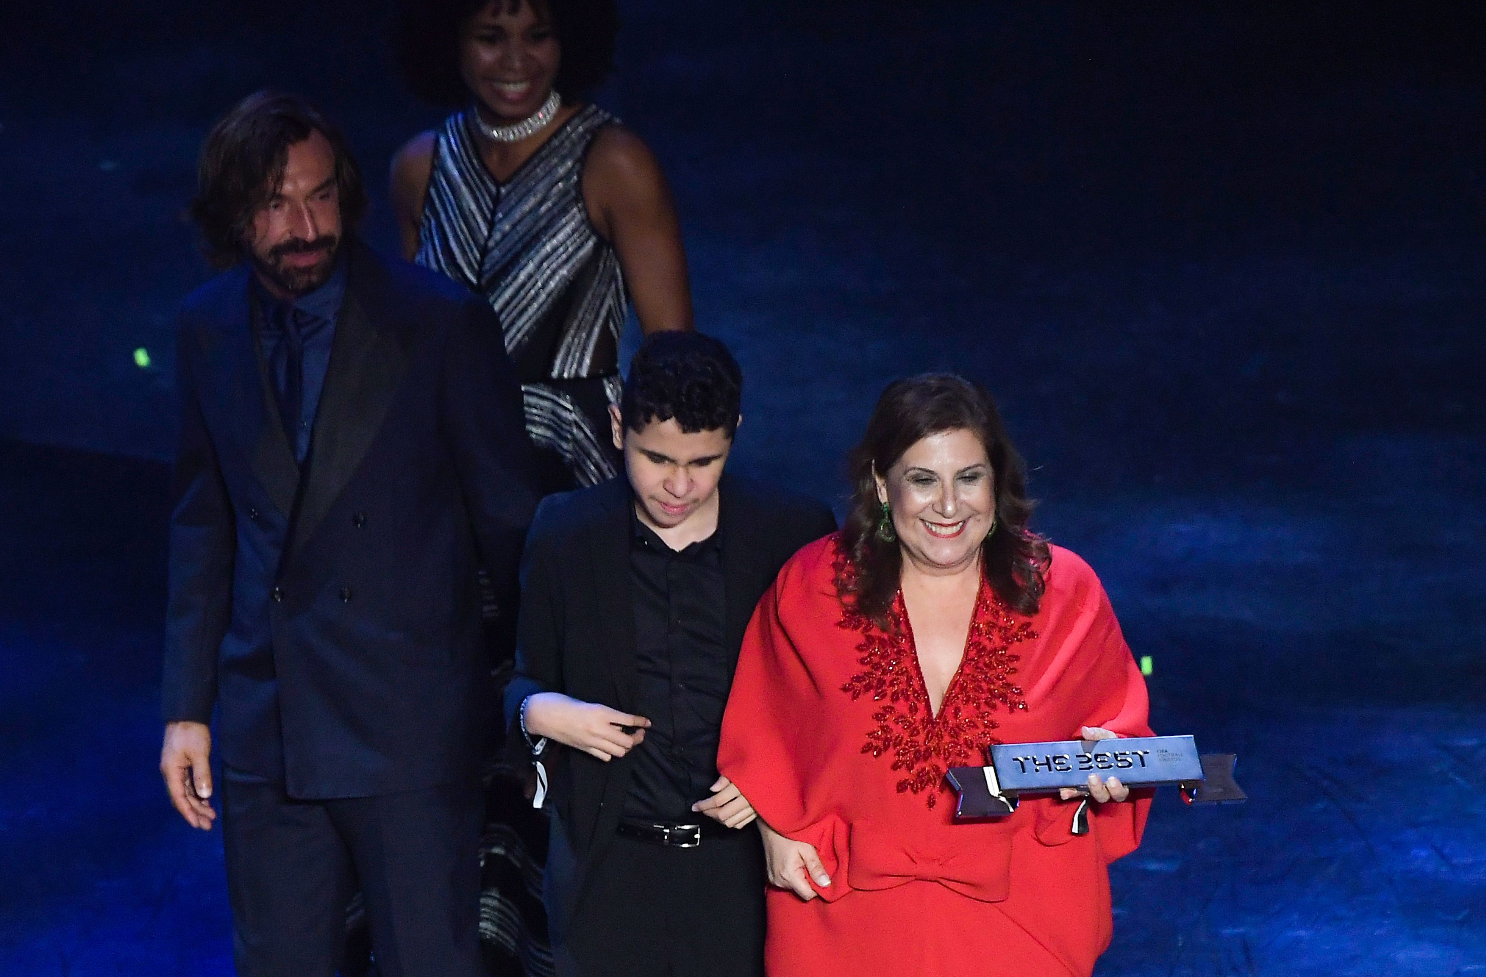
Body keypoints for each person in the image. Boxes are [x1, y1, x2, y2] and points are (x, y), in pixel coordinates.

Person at [158, 90, 539, 977]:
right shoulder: (206, 326)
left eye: (322, 196)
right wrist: (186, 707)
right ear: (233, 214)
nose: (306, 226)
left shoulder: (437, 321)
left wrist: (542, 690)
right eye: (276, 203)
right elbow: (203, 521)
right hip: (270, 723)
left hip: (407, 726)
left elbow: (511, 521)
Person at [716, 374, 1154, 977]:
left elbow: (1123, 736)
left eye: (969, 477)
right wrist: (773, 825)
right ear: (882, 484)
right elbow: (763, 733)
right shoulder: (812, 588)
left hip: (1023, 922)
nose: (949, 506)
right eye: (923, 480)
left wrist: (1110, 770)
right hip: (843, 926)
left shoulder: (1065, 592)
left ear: (996, 481)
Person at [504, 332, 837, 977]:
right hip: (609, 876)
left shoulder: (791, 533)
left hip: (742, 873)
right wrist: (543, 712)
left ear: (735, 435)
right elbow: (522, 678)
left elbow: (830, 698)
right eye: (656, 458)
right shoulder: (566, 533)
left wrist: (771, 779)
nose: (679, 485)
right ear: (617, 427)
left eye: (704, 462)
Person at [391, 0, 693, 494]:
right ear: (450, 42)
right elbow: (413, 349)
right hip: (447, 474)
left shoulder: (615, 163)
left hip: (574, 481)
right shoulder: (420, 166)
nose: (516, 60)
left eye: (538, 36)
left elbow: (676, 358)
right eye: (490, 38)